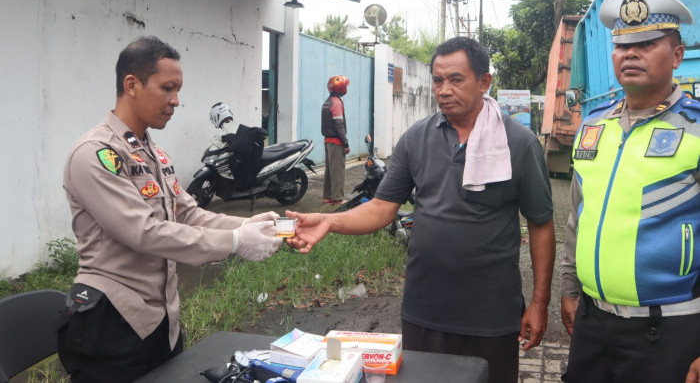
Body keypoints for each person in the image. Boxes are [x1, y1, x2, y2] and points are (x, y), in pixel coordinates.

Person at [289, 37, 555, 383]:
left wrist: (539, 302)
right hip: (425, 309)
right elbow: (382, 208)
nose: (444, 90)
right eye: (438, 80)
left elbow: (541, 224)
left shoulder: (518, 143)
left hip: (491, 312)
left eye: (456, 79)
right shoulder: (416, 138)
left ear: (484, 82)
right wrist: (329, 220)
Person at [57, 36, 283, 382]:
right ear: (131, 84)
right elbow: (144, 231)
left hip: (162, 321)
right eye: (167, 88)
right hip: (112, 322)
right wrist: (235, 242)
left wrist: (246, 225)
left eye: (177, 90)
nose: (176, 101)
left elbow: (188, 214)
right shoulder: (95, 154)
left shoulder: (152, 153)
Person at [560, 0, 700, 382]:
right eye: (622, 45)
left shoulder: (696, 127)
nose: (630, 54)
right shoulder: (594, 126)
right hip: (593, 322)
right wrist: (570, 288)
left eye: (648, 43)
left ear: (676, 55)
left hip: (669, 329)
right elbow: (577, 217)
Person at [321, 75, 350, 205]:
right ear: (341, 87)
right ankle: (338, 198)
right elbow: (339, 125)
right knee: (337, 170)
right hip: (336, 142)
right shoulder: (337, 103)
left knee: (329, 170)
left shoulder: (327, 101)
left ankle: (328, 196)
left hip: (328, 141)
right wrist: (345, 143)